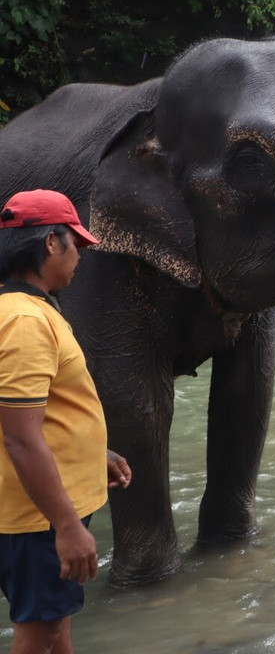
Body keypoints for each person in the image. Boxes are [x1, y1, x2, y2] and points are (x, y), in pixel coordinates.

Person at [0, 190, 132, 654]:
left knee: (57, 625)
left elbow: (40, 414)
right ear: (51, 243)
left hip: (39, 508)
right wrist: (66, 527)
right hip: (38, 516)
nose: (80, 257)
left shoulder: (23, 310)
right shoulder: (24, 321)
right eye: (77, 244)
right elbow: (20, 439)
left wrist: (95, 451)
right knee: (40, 634)